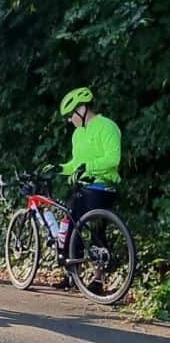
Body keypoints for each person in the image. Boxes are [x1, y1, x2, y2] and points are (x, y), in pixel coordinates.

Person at [49, 87, 121, 291]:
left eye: (71, 115)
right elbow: (75, 164)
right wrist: (59, 168)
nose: (69, 120)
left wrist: (87, 168)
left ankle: (98, 279)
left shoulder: (107, 127)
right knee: (71, 228)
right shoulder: (77, 135)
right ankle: (72, 275)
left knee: (96, 230)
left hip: (102, 186)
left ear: (82, 109)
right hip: (81, 186)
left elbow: (113, 159)